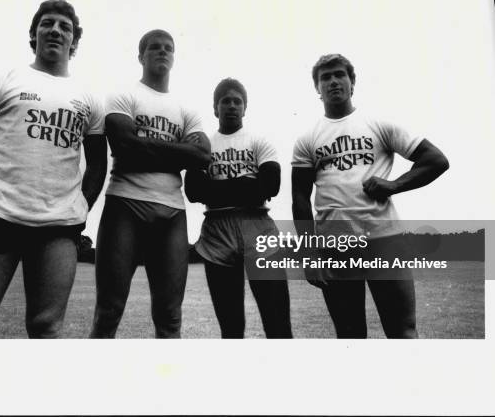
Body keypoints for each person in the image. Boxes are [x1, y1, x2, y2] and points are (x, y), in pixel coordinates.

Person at [0, 0, 108, 338]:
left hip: (57, 229)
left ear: (74, 42)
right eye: (47, 23)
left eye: (65, 27)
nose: (55, 30)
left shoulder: (90, 100)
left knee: (46, 328)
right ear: (33, 35)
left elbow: (97, 163)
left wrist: (82, 208)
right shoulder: (2, 81)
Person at [291, 53, 449, 338]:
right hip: (335, 246)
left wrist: (395, 184)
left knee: (402, 332)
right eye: (325, 77)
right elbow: (300, 198)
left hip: (385, 240)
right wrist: (309, 256)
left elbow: (436, 160)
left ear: (352, 82)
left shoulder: (379, 124)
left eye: (340, 74)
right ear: (317, 88)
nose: (333, 81)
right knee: (350, 336)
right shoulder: (307, 139)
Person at [89, 29, 211, 338]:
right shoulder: (124, 95)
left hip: (171, 212)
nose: (162, 51)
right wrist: (183, 153)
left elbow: (203, 156)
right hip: (125, 205)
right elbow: (125, 148)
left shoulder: (186, 109)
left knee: (170, 317)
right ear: (141, 56)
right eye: (154, 47)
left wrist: (145, 148)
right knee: (108, 311)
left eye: (168, 48)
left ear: (174, 57)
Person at [185, 78, 292, 338]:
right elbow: (194, 192)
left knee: (277, 322)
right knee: (231, 326)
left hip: (257, 226)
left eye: (237, 101)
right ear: (215, 108)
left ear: (245, 108)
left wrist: (217, 189)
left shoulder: (259, 141)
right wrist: (246, 184)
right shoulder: (203, 145)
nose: (232, 106)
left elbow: (271, 186)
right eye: (226, 101)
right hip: (217, 231)